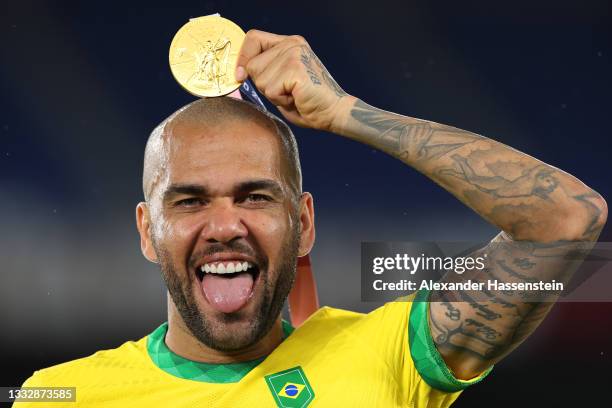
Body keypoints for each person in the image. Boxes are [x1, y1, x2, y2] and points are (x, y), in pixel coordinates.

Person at [14, 30, 607, 407]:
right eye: (190, 200)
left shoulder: (388, 354)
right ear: (147, 231)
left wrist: (348, 113)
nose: (225, 226)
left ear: (305, 223)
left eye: (255, 197)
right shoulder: (60, 397)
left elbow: (567, 217)